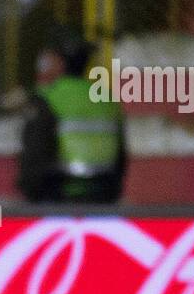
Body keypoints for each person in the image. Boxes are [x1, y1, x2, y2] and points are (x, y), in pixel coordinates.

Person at [16, 36, 124, 203]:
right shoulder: (106, 98)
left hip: (60, 193)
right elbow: (121, 154)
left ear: (60, 63)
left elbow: (35, 153)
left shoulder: (47, 97)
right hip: (103, 193)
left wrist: (30, 193)